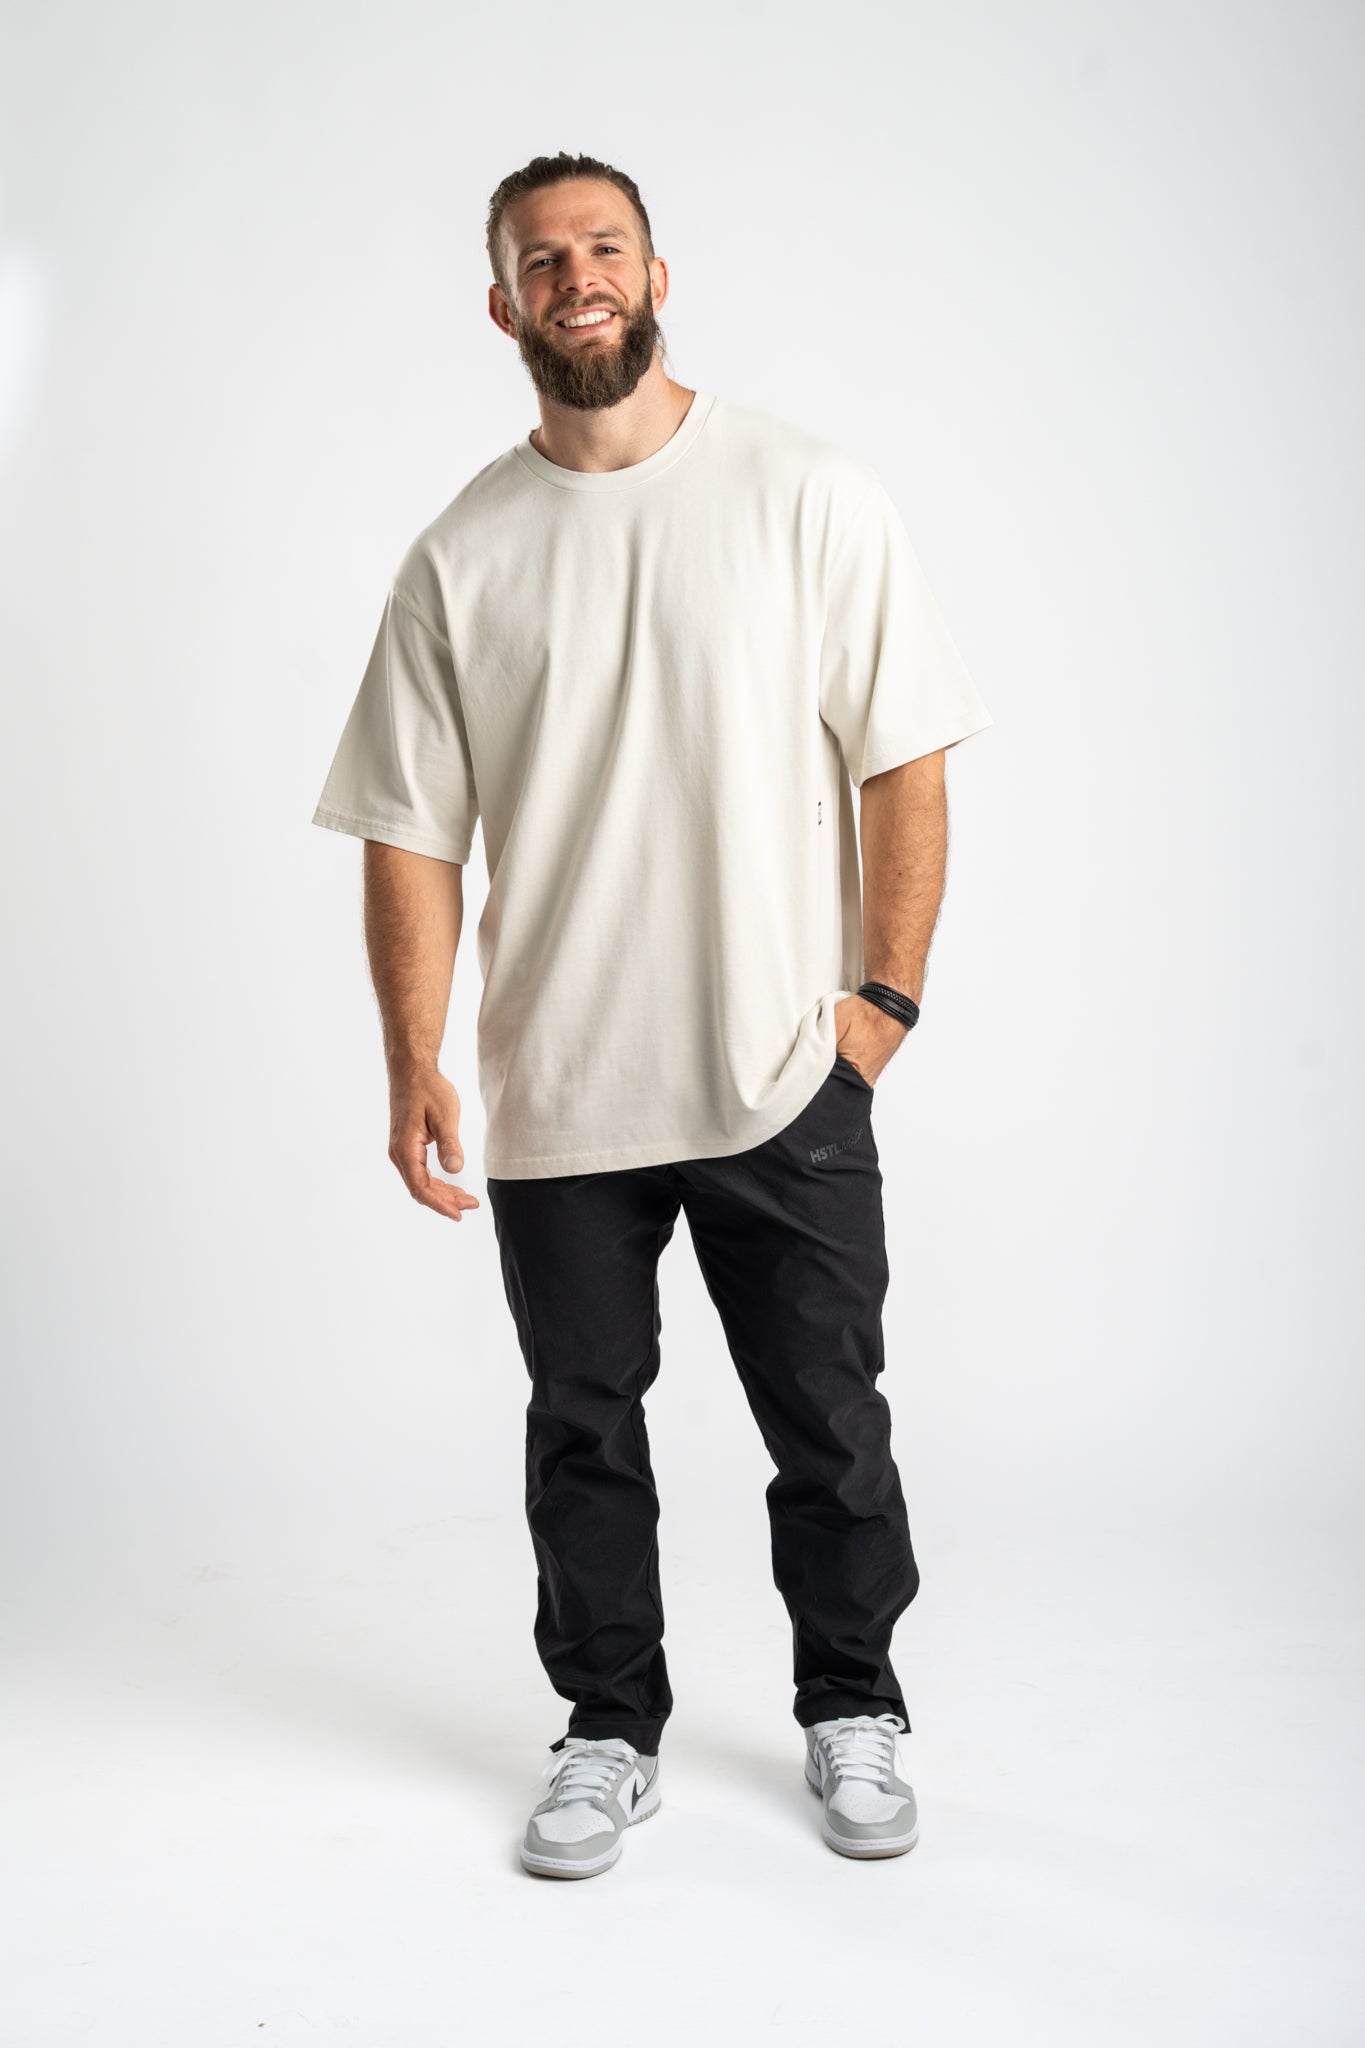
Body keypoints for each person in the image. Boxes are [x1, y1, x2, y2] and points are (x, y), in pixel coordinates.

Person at [310, 151, 994, 1879]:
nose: (577, 276)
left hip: (781, 1070)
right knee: (581, 1433)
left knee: (828, 1424)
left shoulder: (804, 493)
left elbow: (904, 757)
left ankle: (853, 1703)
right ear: (502, 306)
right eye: (541, 260)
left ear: (656, 274)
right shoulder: (461, 554)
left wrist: (881, 1003)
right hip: (560, 1085)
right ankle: (608, 1728)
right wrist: (412, 1059)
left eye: (603, 246)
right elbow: (409, 832)